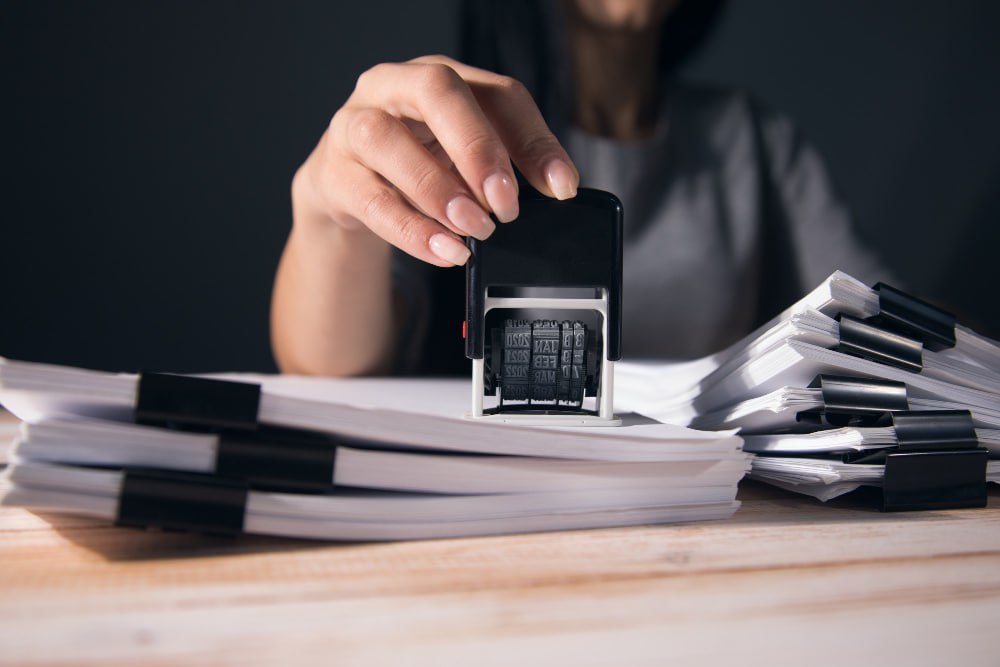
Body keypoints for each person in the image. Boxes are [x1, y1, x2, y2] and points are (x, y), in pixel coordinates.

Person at [271, 0, 887, 377]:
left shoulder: (752, 139)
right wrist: (329, 220)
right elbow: (329, 367)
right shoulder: (438, 130)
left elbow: (888, 328)